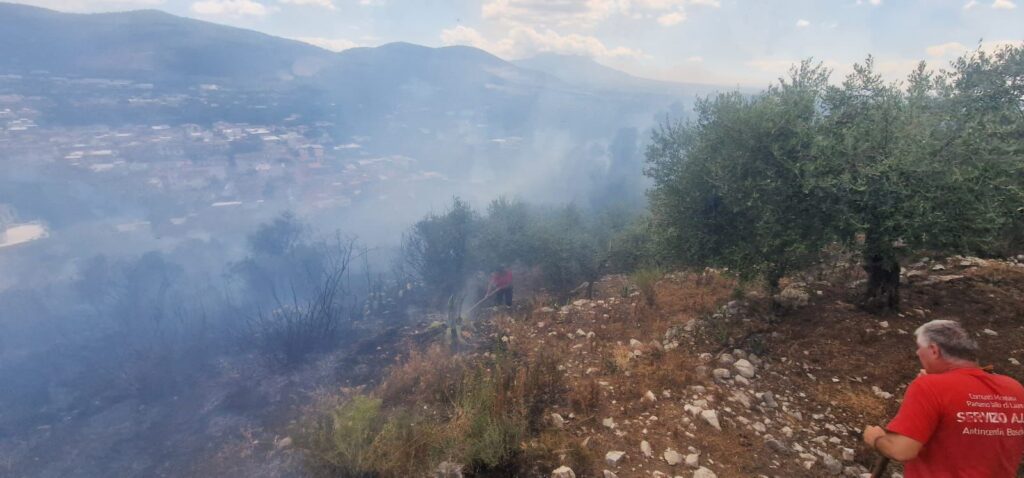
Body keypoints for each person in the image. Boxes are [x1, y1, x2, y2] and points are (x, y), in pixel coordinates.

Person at [862, 319, 1024, 477]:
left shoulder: (929, 387)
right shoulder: (1014, 388)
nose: (918, 353)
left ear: (934, 350)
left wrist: (876, 439)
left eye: (919, 348)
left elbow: (901, 450)